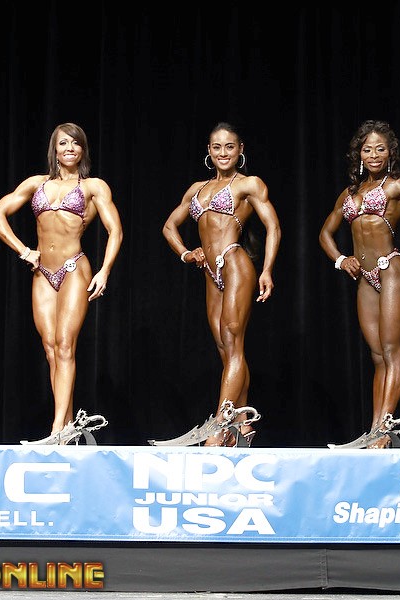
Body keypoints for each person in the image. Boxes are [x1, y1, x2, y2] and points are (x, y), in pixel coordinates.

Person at [0, 122, 122, 445]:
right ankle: (67, 425)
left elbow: (115, 230)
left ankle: (57, 428)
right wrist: (23, 250)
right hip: (42, 273)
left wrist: (104, 271)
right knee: (51, 349)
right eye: (63, 143)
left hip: (74, 267)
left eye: (75, 143)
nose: (69, 148)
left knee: (64, 345)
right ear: (55, 150)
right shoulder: (37, 184)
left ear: (83, 150)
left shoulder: (93, 187)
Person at [152, 122, 281, 447]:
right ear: (209, 152)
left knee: (233, 343)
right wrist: (186, 254)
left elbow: (273, 227)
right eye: (217, 147)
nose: (223, 153)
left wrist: (267, 270)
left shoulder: (249, 184)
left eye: (229, 147)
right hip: (210, 272)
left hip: (235, 262)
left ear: (240, 150)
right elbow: (169, 226)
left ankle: (219, 426)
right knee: (226, 349)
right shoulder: (197, 188)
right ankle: (242, 424)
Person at [319, 120, 400, 449]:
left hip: (391, 269)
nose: (373, 155)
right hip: (365, 277)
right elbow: (325, 233)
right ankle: (374, 429)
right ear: (359, 155)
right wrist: (341, 260)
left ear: (390, 153)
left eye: (380, 149)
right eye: (367, 150)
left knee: (392, 350)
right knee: (377, 355)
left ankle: (383, 429)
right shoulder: (349, 194)